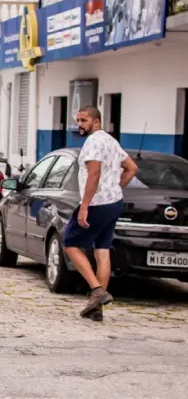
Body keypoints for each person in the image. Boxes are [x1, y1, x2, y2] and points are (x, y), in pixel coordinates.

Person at [63, 106, 138, 320]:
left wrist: (85, 205)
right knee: (102, 250)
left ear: (96, 122)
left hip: (96, 203)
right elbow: (132, 168)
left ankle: (97, 291)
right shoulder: (111, 141)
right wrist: (115, 189)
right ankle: (97, 309)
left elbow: (93, 173)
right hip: (113, 202)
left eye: (84, 120)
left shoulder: (94, 142)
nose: (80, 124)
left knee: (70, 242)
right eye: (78, 120)